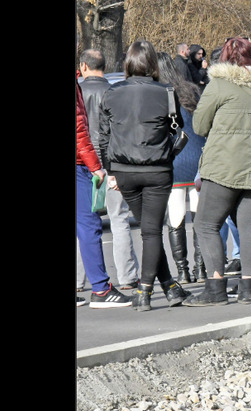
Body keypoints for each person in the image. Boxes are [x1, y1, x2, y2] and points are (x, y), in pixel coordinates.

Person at [187, 36, 251, 305]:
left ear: (226, 59)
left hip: (224, 167)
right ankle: (248, 290)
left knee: (206, 224)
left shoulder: (218, 85)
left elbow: (199, 126)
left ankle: (215, 289)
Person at [98, 40, 192, 311]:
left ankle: (170, 287)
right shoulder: (166, 92)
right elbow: (178, 128)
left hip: (124, 170)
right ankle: (145, 291)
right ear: (152, 64)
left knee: (148, 231)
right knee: (151, 232)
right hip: (157, 169)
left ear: (128, 63)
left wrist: (111, 171)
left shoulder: (112, 92)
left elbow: (104, 138)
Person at [77, 48, 141, 291]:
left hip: (82, 162)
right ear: (104, 66)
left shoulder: (79, 90)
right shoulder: (115, 92)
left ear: (83, 66)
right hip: (111, 162)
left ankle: (78, 280)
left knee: (81, 223)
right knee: (119, 218)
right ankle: (126, 276)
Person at [158, 52, 206, 284]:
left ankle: (183, 271)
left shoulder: (159, 95)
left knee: (175, 217)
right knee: (200, 218)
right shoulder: (193, 91)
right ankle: (201, 268)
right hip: (197, 159)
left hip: (174, 160)